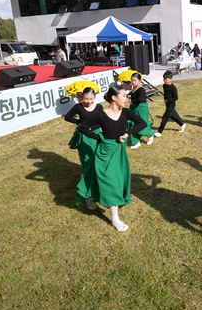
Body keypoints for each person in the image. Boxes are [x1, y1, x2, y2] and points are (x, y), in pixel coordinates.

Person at [78, 84, 148, 231]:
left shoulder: (126, 112)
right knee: (109, 180)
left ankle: (91, 197)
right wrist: (98, 137)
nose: (126, 99)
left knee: (116, 179)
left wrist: (128, 133)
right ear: (114, 98)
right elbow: (82, 127)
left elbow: (142, 123)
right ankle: (114, 218)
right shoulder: (101, 114)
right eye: (124, 96)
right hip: (104, 152)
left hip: (119, 152)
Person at [65, 86, 104, 209]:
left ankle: (98, 187)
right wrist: (79, 124)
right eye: (86, 99)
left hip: (96, 136)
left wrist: (92, 128)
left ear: (95, 97)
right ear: (82, 98)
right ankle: (87, 194)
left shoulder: (99, 107)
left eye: (91, 99)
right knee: (87, 161)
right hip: (84, 138)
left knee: (98, 161)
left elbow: (102, 121)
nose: (89, 101)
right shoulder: (78, 106)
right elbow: (68, 117)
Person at [128, 72, 157, 149]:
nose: (133, 82)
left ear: (140, 80)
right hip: (134, 108)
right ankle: (136, 142)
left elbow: (142, 99)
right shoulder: (133, 88)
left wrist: (133, 102)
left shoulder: (141, 89)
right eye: (132, 80)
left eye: (135, 80)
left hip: (141, 108)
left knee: (141, 125)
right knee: (133, 124)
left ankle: (150, 134)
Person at [154, 71, 186, 136]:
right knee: (173, 116)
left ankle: (159, 132)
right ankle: (182, 125)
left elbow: (176, 97)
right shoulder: (164, 86)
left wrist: (168, 101)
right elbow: (166, 94)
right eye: (164, 79)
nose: (164, 80)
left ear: (171, 79)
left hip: (171, 105)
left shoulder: (173, 88)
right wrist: (165, 99)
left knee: (164, 118)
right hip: (167, 104)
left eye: (166, 79)